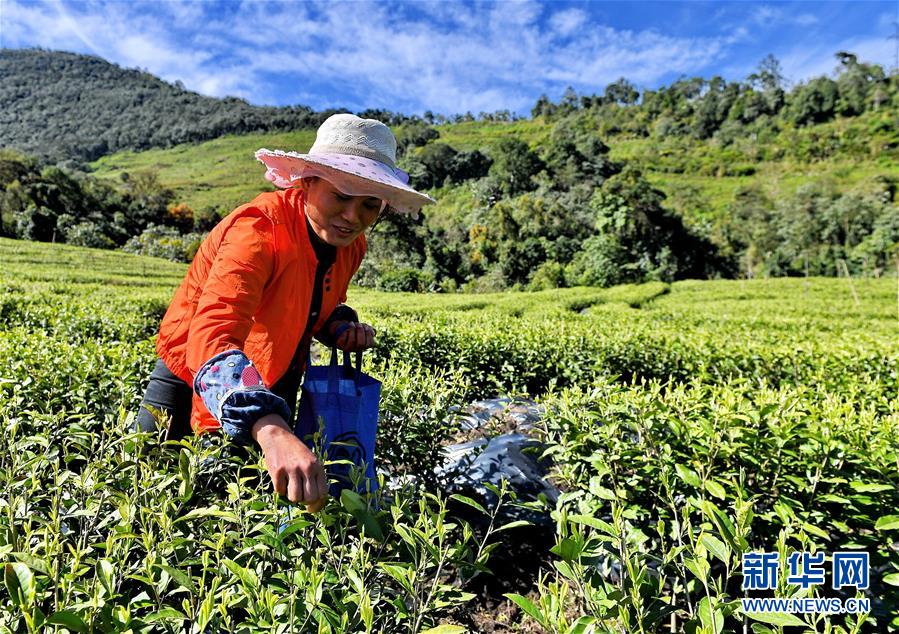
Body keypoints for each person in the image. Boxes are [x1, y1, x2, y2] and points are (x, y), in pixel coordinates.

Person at [136, 113, 436, 510]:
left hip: (276, 374)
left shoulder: (351, 247)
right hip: (191, 376)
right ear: (308, 182)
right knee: (150, 495)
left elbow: (314, 302)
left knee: (242, 508)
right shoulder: (258, 231)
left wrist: (338, 326)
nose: (353, 217)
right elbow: (213, 333)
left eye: (369, 205)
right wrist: (271, 429)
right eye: (341, 196)